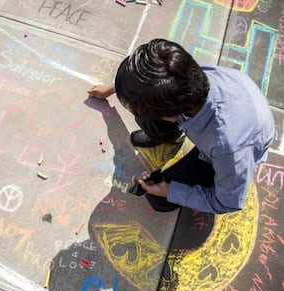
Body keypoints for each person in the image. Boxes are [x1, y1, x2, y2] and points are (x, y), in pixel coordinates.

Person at [87, 39, 275, 214]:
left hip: (220, 150)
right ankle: (170, 137)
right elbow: (152, 81)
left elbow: (228, 202)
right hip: (211, 124)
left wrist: (168, 190)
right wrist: (115, 89)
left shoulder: (229, 150)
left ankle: (169, 141)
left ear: (169, 115)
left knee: (157, 199)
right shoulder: (183, 72)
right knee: (144, 113)